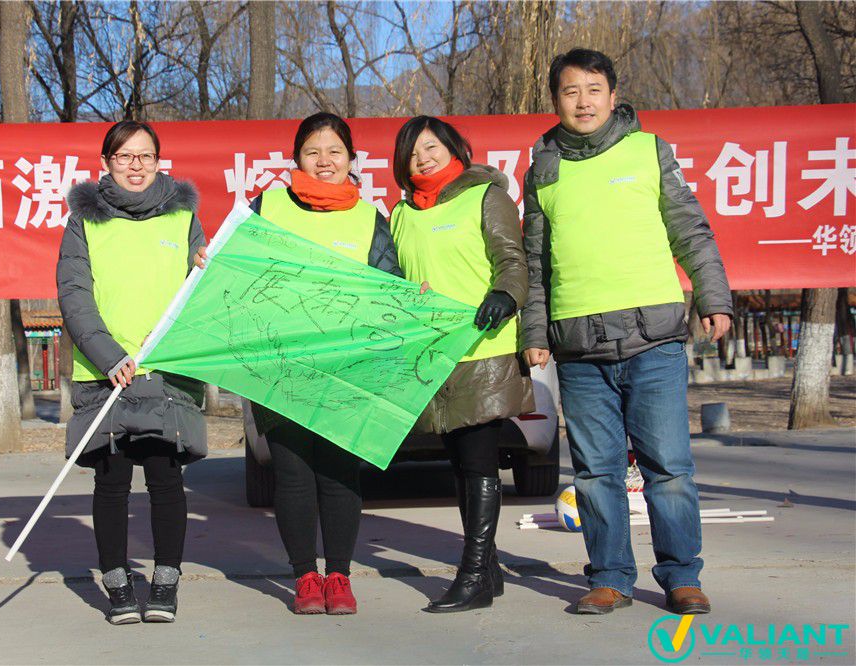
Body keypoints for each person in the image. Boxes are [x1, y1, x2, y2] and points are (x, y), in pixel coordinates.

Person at [521, 48, 732, 616]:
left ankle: (681, 576)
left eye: (594, 89)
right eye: (571, 91)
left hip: (654, 340)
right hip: (578, 347)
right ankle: (610, 578)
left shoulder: (649, 150)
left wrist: (713, 296)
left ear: (613, 97)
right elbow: (535, 260)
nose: (583, 101)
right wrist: (534, 332)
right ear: (556, 100)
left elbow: (690, 230)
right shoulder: (542, 168)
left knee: (668, 468)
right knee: (595, 473)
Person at [196, 112, 401, 615]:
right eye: (313, 152)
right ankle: (305, 576)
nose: (324, 161)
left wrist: (408, 299)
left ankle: (340, 576)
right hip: (279, 365)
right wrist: (209, 261)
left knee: (339, 474)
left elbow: (388, 287)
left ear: (351, 159)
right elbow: (234, 263)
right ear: (296, 159)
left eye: (334, 151)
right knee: (293, 475)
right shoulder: (266, 207)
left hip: (346, 368)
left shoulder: (370, 219)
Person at [57, 119, 208, 624]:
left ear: (159, 161)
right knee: (111, 481)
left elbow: (201, 294)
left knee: (165, 478)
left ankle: (166, 580)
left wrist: (208, 269)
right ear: (106, 163)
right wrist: (110, 356)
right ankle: (117, 583)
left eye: (144, 156)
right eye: (124, 157)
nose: (135, 166)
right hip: (105, 373)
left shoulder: (183, 218)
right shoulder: (84, 221)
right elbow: (74, 294)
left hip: (165, 369)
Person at [389, 116, 532, 613]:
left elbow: (512, 260)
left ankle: (472, 576)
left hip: (481, 346)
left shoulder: (486, 196)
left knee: (477, 460)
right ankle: (488, 570)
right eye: (413, 153)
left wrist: (505, 295)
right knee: (459, 462)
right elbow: (396, 277)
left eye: (431, 147)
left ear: (454, 148)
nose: (423, 158)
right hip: (433, 353)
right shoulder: (401, 213)